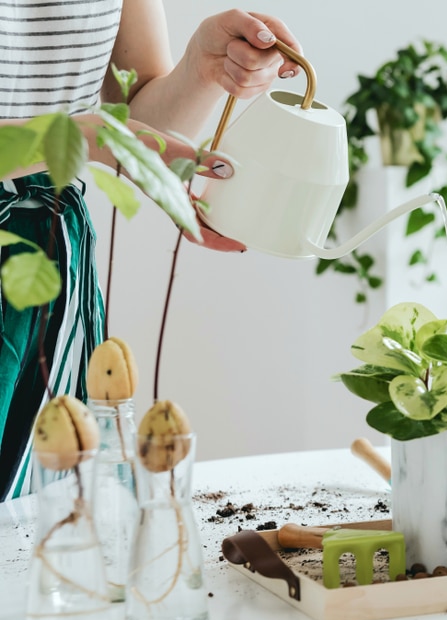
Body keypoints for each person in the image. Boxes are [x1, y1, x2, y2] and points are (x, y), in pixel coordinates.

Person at [0, 1, 302, 500]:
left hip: (49, 262)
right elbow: (96, 133)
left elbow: (135, 111)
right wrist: (75, 136)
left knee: (41, 530)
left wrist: (200, 70)